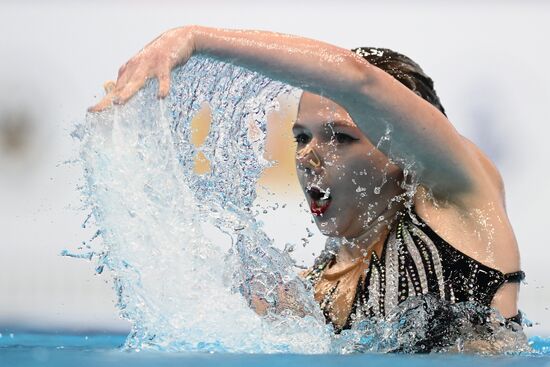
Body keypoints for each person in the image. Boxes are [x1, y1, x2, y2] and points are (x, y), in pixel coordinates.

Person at [90, 26, 524, 342]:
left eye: (340, 136)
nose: (306, 155)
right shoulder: (313, 290)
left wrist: (196, 40)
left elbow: (359, 79)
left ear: (405, 150)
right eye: (301, 136)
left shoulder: (462, 199)